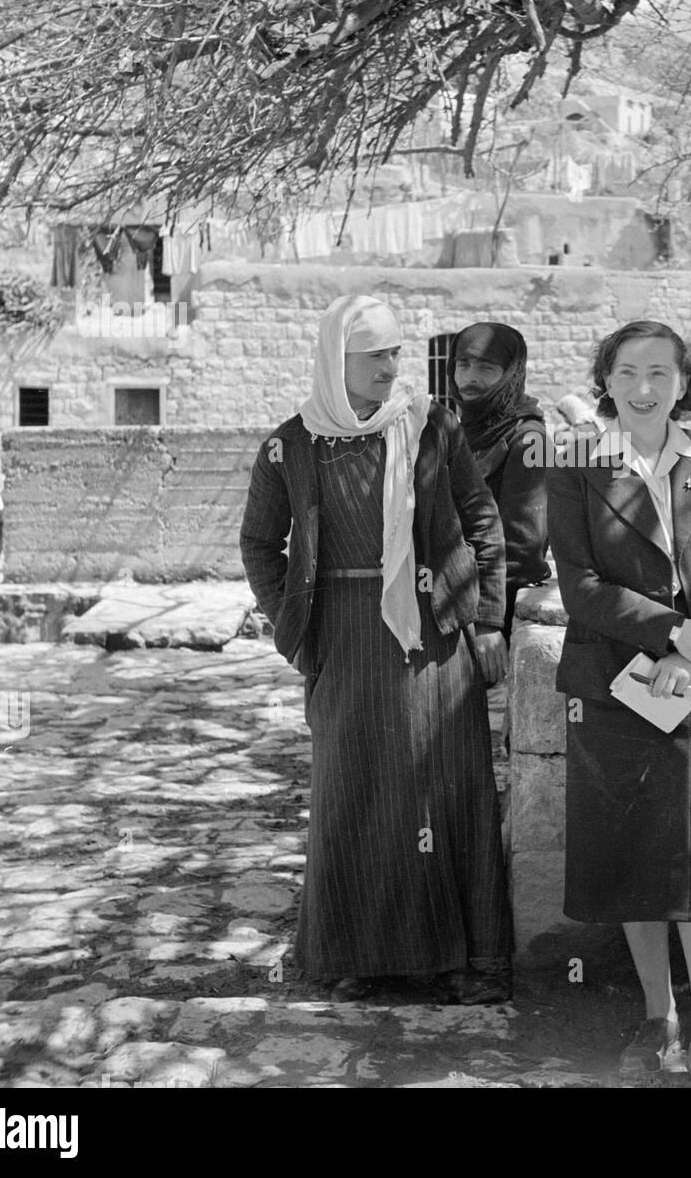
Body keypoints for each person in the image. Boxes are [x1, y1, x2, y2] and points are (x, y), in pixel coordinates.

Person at [240, 295, 513, 1005]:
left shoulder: (431, 429)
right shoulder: (291, 445)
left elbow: (482, 520)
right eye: (376, 356)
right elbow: (258, 544)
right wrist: (295, 626)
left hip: (435, 637)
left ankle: (467, 959)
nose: (393, 368)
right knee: (354, 792)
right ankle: (355, 955)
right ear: (338, 360)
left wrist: (485, 619)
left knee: (448, 794)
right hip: (345, 639)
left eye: (398, 352)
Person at [546, 321, 691, 1088]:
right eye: (628, 372)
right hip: (618, 683)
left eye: (661, 374)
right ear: (605, 379)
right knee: (635, 856)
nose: (644, 388)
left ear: (685, 381)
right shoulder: (576, 463)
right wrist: (673, 631)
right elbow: (580, 584)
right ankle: (658, 1017)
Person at [448, 322, 549, 637]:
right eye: (463, 365)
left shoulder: (530, 440)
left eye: (486, 367)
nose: (470, 378)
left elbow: (522, 551)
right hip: (449, 607)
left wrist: (488, 622)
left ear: (511, 373)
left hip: (490, 624)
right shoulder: (459, 432)